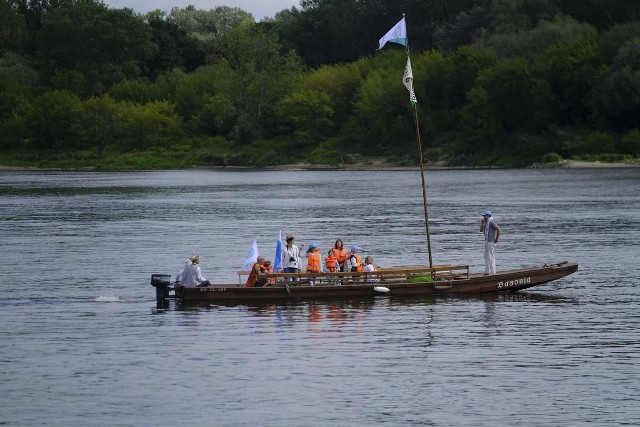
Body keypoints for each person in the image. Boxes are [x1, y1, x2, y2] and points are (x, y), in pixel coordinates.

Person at [480, 210, 501, 274]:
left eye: (485, 215)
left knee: (491, 256)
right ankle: (487, 271)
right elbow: (481, 230)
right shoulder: (486, 222)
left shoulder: (491, 221)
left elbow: (498, 229)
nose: (483, 217)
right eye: (483, 216)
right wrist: (482, 223)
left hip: (491, 241)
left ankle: (493, 271)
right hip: (487, 241)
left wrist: (497, 238)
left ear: (488, 215)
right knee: (486, 256)